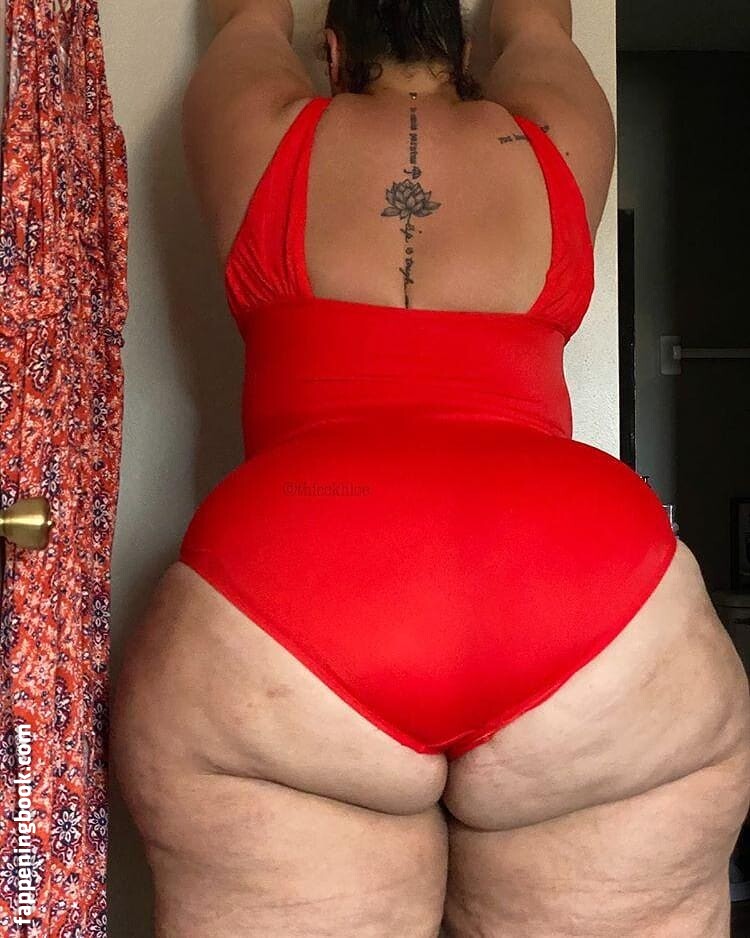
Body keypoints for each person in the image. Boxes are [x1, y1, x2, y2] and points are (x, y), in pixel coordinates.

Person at [111, 1, 750, 935]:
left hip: (300, 582)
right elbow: (540, 23)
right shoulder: (555, 131)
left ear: (331, 53)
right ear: (468, 53)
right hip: (585, 588)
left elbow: (245, 15)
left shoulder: (259, 128)